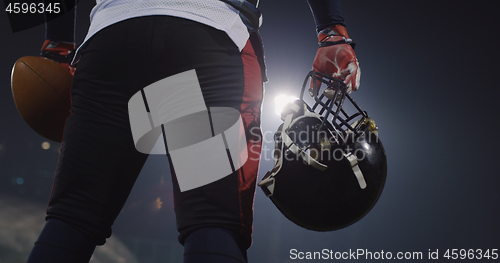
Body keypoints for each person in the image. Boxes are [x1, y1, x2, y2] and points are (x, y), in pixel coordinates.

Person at [27, 0, 360, 262]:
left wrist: (57, 45)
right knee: (213, 222)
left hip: (112, 40)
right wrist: (332, 30)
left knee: (72, 220)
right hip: (211, 32)